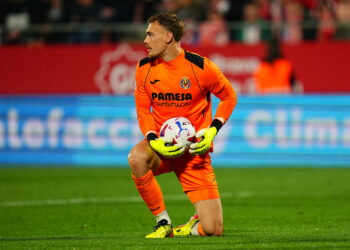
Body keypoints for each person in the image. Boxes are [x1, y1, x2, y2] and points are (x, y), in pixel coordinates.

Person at [128, 12, 237, 238]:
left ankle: (191, 225)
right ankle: (162, 222)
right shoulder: (144, 68)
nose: (145, 40)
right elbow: (142, 110)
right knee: (136, 158)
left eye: (150, 34)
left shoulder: (201, 68)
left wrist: (212, 130)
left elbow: (229, 97)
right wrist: (153, 139)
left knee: (213, 229)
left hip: (194, 153)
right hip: (162, 149)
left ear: (168, 37)